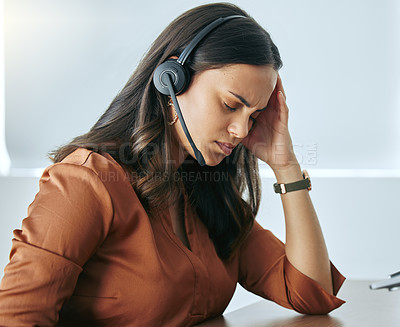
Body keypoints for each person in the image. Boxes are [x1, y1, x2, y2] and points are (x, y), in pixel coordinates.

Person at [0, 3, 345, 326]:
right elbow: (14, 317)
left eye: (253, 116)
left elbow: (312, 292)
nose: (241, 131)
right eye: (229, 105)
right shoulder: (87, 181)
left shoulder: (205, 189)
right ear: (171, 80)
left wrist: (285, 164)